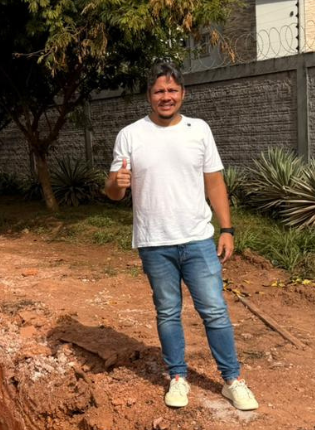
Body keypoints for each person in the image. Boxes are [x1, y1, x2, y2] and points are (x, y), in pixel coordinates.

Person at [104, 62, 258, 411]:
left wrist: (227, 228)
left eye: (172, 90)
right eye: (159, 91)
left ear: (183, 94)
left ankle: (232, 380)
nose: (166, 96)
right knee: (168, 312)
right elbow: (113, 191)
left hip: (198, 239)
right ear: (149, 96)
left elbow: (214, 182)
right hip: (154, 241)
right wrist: (116, 184)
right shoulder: (130, 135)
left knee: (215, 311)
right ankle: (177, 377)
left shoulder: (198, 130)